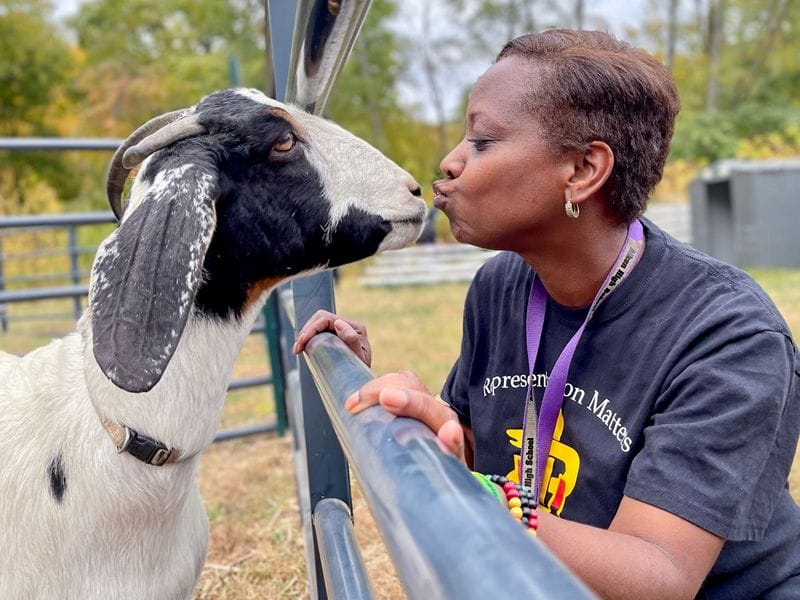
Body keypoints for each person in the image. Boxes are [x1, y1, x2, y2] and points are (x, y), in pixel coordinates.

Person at [293, 28, 800, 599]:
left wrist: (482, 493)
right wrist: (379, 390)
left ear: (583, 171)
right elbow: (476, 453)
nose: (451, 162)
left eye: (483, 141)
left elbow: (659, 574)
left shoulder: (729, 336)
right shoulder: (499, 288)